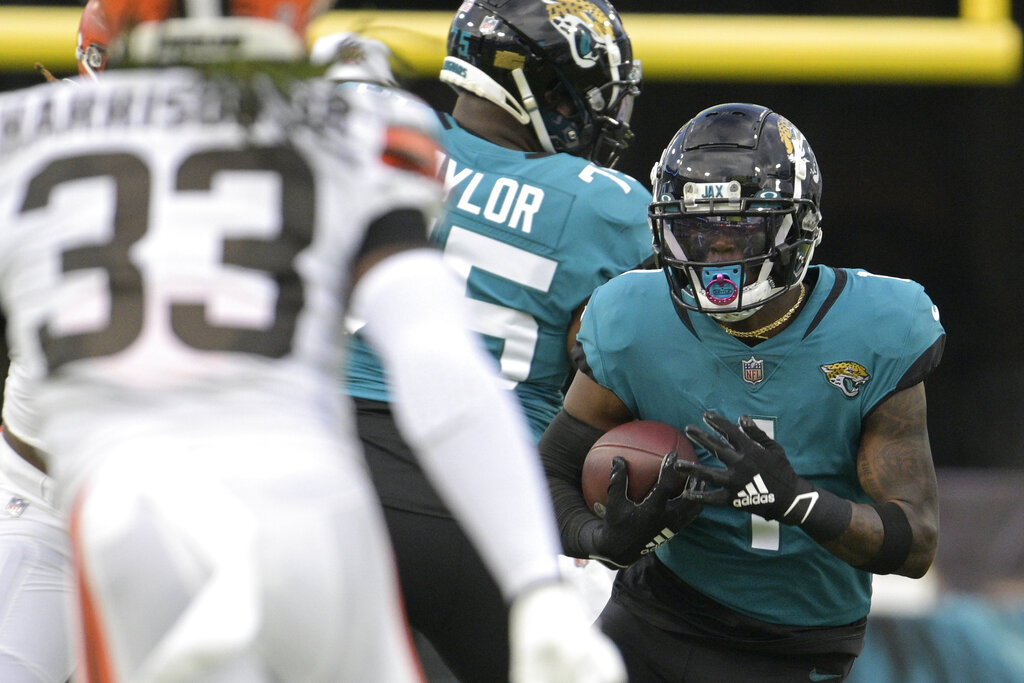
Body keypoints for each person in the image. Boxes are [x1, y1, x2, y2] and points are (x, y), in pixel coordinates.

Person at [0, 1, 626, 681]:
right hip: (301, 493)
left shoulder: (23, 136)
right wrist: (533, 581)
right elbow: (436, 358)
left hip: (118, 500)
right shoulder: (355, 126)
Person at [540, 102, 945, 682]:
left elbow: (916, 542)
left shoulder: (881, 326)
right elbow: (549, 469)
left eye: (740, 227)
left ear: (796, 226)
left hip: (795, 645)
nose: (718, 251)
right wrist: (601, 535)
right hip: (657, 613)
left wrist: (800, 501)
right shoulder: (633, 316)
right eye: (696, 229)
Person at [342, 1, 652, 680]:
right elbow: (627, 375)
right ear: (547, 83)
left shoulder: (371, 136)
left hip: (331, 471)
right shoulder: (611, 207)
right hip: (493, 500)